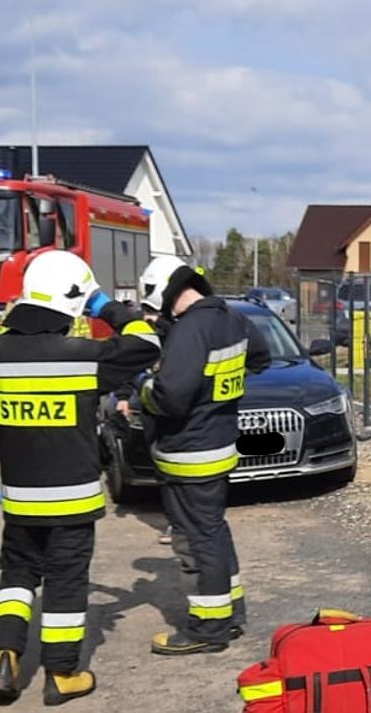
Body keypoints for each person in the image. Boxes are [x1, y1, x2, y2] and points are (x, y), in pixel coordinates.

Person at [0, 250, 161, 706]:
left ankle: (7, 652)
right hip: (72, 503)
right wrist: (103, 305)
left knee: (17, 574)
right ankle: (62, 673)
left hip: (20, 502)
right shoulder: (85, 357)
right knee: (66, 584)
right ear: (74, 301)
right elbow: (147, 342)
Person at [137, 256, 267, 655]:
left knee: (196, 539)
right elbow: (259, 359)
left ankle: (208, 628)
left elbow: (171, 398)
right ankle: (230, 613)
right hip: (219, 445)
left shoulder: (190, 329)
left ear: (162, 293)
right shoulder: (231, 318)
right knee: (213, 531)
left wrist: (144, 389)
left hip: (189, 452)